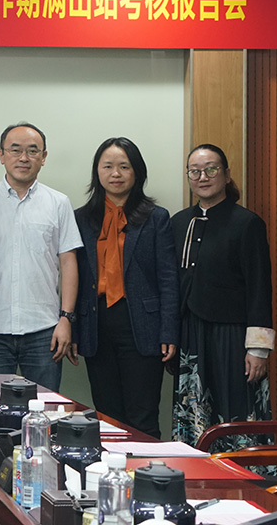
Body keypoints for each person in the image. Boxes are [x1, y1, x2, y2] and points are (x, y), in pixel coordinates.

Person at [170, 144, 274, 450]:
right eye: (195, 171)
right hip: (190, 335)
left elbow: (260, 287)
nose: (203, 177)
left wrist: (259, 349)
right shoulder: (179, 223)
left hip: (232, 336)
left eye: (211, 169)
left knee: (235, 408)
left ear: (226, 175)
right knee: (193, 411)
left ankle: (243, 472)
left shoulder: (247, 223)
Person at [74, 136, 178, 438]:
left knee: (142, 414)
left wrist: (169, 331)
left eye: (124, 166)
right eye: (107, 166)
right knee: (107, 416)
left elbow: (168, 278)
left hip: (142, 325)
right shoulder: (82, 218)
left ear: (137, 172)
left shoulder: (156, 218)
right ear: (97, 172)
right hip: (97, 325)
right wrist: (75, 328)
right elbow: (74, 277)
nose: (115, 174)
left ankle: (147, 467)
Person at [0, 122, 83, 391]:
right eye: (15, 150)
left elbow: (68, 262)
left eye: (33, 151)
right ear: (1, 155)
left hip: (45, 330)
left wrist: (66, 319)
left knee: (44, 407)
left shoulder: (58, 203)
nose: (24, 158)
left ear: (43, 157)